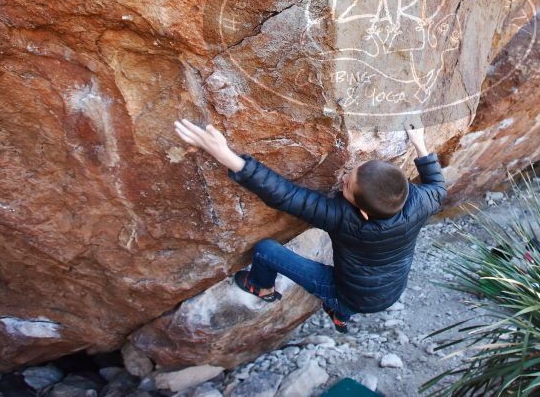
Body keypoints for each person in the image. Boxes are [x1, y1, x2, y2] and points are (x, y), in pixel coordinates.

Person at [173, 119, 447, 333]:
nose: (344, 181)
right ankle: (341, 314)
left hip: (349, 293)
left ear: (362, 212)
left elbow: (284, 195)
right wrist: (419, 143)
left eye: (348, 186)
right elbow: (437, 184)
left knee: (266, 250)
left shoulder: (344, 220)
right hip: (391, 290)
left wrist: (225, 155)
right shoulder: (423, 201)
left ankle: (262, 287)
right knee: (354, 293)